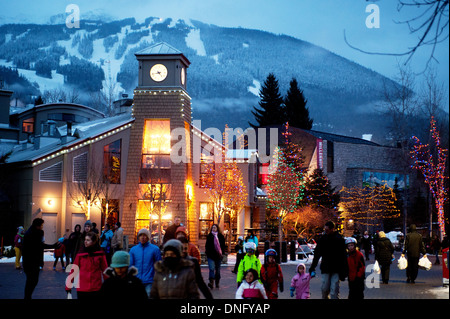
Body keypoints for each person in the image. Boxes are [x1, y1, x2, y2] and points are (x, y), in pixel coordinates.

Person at [22, 218, 60, 299]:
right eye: (41, 225)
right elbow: (39, 246)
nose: (42, 227)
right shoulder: (31, 234)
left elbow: (40, 246)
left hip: (32, 261)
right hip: (30, 262)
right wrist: (53, 246)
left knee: (32, 281)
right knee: (32, 281)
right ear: (37, 225)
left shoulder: (35, 232)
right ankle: (27, 297)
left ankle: (28, 296)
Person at [309, 221, 348, 299]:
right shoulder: (323, 239)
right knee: (324, 288)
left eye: (327, 230)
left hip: (336, 268)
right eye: (325, 229)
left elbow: (343, 256)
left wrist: (344, 271)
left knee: (334, 291)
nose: (325, 231)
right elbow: (317, 254)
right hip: (326, 267)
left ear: (332, 229)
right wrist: (313, 267)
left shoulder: (339, 239)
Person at [66, 232, 108, 299]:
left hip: (96, 288)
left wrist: (108, 284)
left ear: (94, 241)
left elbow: (105, 270)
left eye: (88, 240)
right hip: (82, 288)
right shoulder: (81, 253)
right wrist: (68, 285)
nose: (85, 242)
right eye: (85, 240)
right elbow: (74, 270)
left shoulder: (100, 254)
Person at [129, 228, 162, 297]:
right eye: (141, 235)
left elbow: (158, 265)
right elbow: (130, 265)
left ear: (148, 237)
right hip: (136, 280)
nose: (142, 237)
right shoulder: (133, 250)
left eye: (145, 235)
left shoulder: (155, 249)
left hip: (150, 281)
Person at [205, 223, 226, 289]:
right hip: (210, 256)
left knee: (218, 270)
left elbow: (223, 246)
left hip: (218, 256)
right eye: (213, 227)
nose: (213, 228)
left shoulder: (221, 236)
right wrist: (207, 253)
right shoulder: (209, 236)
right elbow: (207, 246)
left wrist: (222, 253)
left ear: (217, 229)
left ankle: (217, 282)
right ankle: (211, 282)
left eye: (215, 227)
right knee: (211, 269)